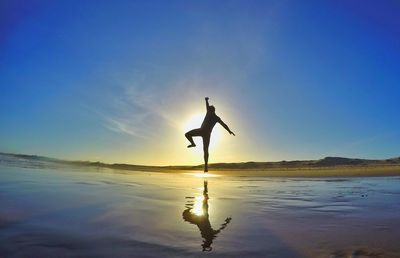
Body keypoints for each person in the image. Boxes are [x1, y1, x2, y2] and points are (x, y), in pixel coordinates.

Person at [185, 97, 235, 172]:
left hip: (207, 135)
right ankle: (193, 143)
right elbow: (207, 106)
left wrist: (229, 131)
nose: (209, 112)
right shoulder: (208, 112)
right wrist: (206, 100)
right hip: (201, 130)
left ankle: (206, 166)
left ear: (213, 111)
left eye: (210, 111)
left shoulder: (216, 118)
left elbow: (224, 124)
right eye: (209, 111)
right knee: (187, 134)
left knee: (205, 150)